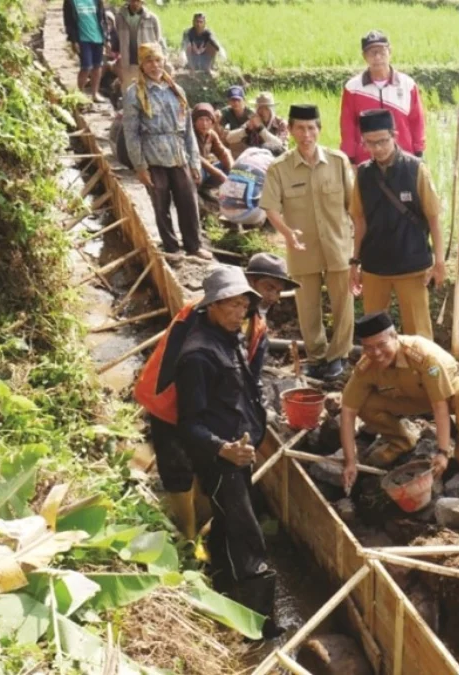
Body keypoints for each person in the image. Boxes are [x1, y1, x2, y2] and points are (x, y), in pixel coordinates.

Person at [134, 255, 295, 540]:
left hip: (210, 409)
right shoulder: (200, 315)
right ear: (250, 282)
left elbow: (251, 377)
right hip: (170, 403)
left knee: (206, 466)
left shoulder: (256, 326)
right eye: (268, 287)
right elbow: (180, 367)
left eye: (277, 290)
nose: (274, 297)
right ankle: (187, 532)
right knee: (176, 467)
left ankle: (203, 524)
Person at [174, 266, 282, 639]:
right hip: (221, 461)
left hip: (239, 451)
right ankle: (262, 629)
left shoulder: (228, 336)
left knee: (228, 523)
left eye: (243, 305)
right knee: (249, 539)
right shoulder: (198, 356)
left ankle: (221, 585)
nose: (241, 313)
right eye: (233, 306)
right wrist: (223, 450)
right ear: (213, 307)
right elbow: (188, 425)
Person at [261, 103, 356, 382]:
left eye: (311, 128)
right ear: (290, 130)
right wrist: (286, 233)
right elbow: (270, 208)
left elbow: (354, 207)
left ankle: (337, 356)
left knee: (343, 304)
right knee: (308, 306)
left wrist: (358, 246)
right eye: (300, 128)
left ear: (319, 130)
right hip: (302, 249)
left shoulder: (338, 162)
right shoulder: (279, 169)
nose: (306, 134)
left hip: (338, 246)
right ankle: (316, 356)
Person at [339, 312, 459, 483]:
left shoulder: (421, 355)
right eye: (368, 347)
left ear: (395, 337)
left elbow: (440, 406)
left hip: (446, 393)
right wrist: (350, 462)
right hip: (411, 398)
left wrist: (442, 452)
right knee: (363, 402)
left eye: (381, 344)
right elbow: (347, 412)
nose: (376, 353)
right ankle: (400, 441)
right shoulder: (366, 365)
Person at [349, 109, 445, 340]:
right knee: (373, 331)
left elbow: (433, 217)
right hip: (374, 266)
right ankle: (379, 375)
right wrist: (355, 261)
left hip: (411, 265)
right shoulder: (362, 174)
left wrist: (439, 261)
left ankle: (423, 375)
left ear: (395, 135)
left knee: (418, 332)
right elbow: (359, 221)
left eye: (382, 141)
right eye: (370, 143)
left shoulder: (415, 169)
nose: (377, 148)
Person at [122, 44, 212, 260]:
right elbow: (131, 133)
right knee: (161, 204)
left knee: (188, 201)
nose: (155, 66)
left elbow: (188, 129)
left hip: (178, 154)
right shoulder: (135, 94)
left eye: (158, 61)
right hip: (153, 156)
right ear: (142, 66)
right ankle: (171, 248)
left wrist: (194, 162)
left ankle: (193, 246)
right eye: (149, 61)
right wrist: (140, 165)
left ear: (164, 62)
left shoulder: (176, 91)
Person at [340, 30, 426, 165]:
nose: (377, 57)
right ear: (364, 56)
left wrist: (419, 153)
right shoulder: (353, 88)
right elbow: (348, 127)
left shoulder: (407, 85)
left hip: (403, 160)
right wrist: (350, 159)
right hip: (366, 161)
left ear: (390, 52)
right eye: (371, 53)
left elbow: (417, 121)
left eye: (382, 51)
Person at [63, 0, 108, 103]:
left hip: (98, 38)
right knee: (86, 66)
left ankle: (94, 93)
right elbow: (68, 22)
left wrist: (106, 38)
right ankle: (80, 94)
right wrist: (74, 40)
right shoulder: (70, 2)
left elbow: (103, 18)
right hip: (82, 39)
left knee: (97, 66)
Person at [113, 0, 162, 95]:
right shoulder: (119, 18)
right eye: (133, 1)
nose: (135, 3)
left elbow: (158, 41)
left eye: (138, 1)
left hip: (147, 61)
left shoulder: (152, 18)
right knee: (128, 91)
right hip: (128, 61)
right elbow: (116, 38)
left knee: (149, 90)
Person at [226, 92, 288, 157]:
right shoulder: (253, 121)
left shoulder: (281, 123)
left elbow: (280, 146)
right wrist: (246, 130)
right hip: (254, 159)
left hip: (275, 160)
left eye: (266, 108)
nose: (263, 112)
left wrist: (261, 129)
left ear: (271, 110)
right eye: (260, 108)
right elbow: (229, 138)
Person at [192, 102, 233, 192]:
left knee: (230, 167)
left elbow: (223, 153)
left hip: (206, 169)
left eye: (207, 120)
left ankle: (205, 189)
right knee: (195, 174)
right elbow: (196, 157)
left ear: (212, 122)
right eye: (201, 119)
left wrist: (232, 170)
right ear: (194, 121)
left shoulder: (211, 134)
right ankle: (196, 194)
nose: (204, 124)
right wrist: (219, 174)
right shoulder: (189, 135)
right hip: (194, 168)